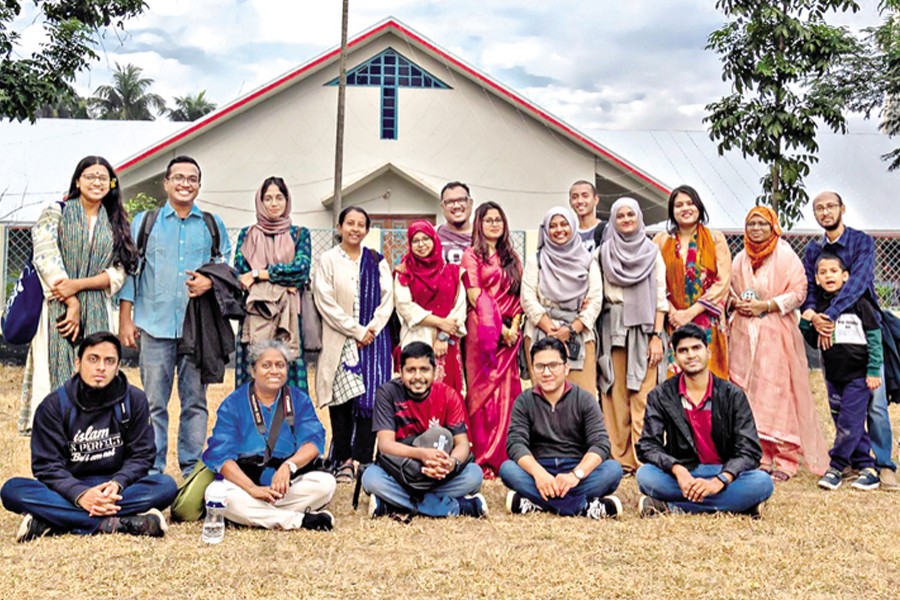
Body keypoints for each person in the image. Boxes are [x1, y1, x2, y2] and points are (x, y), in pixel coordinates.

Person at [2, 332, 177, 542]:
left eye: (109, 361)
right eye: (93, 359)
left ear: (118, 365)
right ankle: (116, 523)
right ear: (78, 363)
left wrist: (118, 483)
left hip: (117, 488)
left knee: (165, 486)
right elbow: (47, 465)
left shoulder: (135, 400)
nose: (101, 367)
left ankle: (53, 520)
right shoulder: (54, 406)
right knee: (13, 490)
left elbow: (142, 456)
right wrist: (80, 495)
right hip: (68, 487)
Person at [118, 155, 231, 477]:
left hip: (197, 329)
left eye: (192, 178)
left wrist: (211, 281)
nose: (185, 183)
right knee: (154, 405)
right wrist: (126, 319)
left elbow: (226, 269)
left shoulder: (212, 225)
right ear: (166, 183)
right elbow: (131, 272)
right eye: (178, 177)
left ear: (199, 185)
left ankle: (191, 470)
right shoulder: (145, 222)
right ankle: (152, 472)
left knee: (195, 403)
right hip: (154, 327)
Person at [19, 156, 139, 435]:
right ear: (77, 181)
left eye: (102, 178)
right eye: (90, 176)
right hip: (57, 308)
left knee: (96, 370)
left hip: (97, 306)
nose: (96, 182)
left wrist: (79, 286)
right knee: (56, 376)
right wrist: (70, 300)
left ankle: (93, 436)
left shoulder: (116, 220)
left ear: (111, 184)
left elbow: (119, 271)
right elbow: (46, 255)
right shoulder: (55, 211)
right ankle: (55, 438)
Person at [801, 191, 897, 490]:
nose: (825, 212)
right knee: (841, 404)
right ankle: (859, 461)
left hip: (864, 329)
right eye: (819, 208)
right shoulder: (812, 250)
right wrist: (814, 317)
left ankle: (883, 464)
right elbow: (810, 289)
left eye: (831, 206)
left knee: (876, 404)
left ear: (842, 208)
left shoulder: (861, 242)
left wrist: (829, 314)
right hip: (831, 339)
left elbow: (856, 284)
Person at [729, 206, 830, 482]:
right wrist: (737, 302)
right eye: (751, 224)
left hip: (775, 332)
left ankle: (785, 459)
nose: (756, 229)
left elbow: (799, 292)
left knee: (777, 391)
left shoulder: (785, 255)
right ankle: (760, 456)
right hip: (742, 333)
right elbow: (731, 289)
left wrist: (767, 304)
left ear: (774, 226)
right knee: (749, 392)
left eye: (762, 223)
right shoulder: (740, 257)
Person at [636, 324, 774, 517]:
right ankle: (740, 506)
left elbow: (750, 449)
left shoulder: (732, 395)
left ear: (708, 352)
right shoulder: (661, 395)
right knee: (645, 476)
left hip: (724, 472)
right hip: (684, 474)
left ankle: (674, 507)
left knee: (762, 482)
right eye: (683, 351)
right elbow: (648, 445)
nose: (691, 355)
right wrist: (678, 470)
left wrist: (720, 480)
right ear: (675, 356)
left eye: (696, 348)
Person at [202, 340, 336, 530]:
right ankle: (298, 520)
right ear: (253, 370)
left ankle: (255, 515)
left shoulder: (299, 399)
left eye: (280, 365)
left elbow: (313, 441)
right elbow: (222, 456)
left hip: (285, 486)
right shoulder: (233, 403)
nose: (274, 371)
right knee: (218, 494)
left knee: (326, 484)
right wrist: (252, 489)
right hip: (245, 486)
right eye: (266, 365)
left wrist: (289, 467)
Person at [313, 206, 394, 483]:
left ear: (367, 230)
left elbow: (388, 300)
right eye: (350, 223)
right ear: (339, 227)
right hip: (341, 337)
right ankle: (343, 459)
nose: (355, 229)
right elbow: (325, 302)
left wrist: (370, 330)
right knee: (342, 400)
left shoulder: (376, 260)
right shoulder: (328, 260)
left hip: (374, 341)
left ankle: (363, 459)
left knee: (370, 401)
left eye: (361, 224)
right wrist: (356, 331)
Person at [499, 337, 623, 518]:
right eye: (540, 366)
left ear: (566, 368)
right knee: (508, 470)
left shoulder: (584, 399)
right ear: (532, 368)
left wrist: (575, 475)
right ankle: (582, 507)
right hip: (540, 467)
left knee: (613, 470)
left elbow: (601, 443)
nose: (546, 372)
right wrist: (539, 474)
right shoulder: (524, 401)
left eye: (553, 365)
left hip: (576, 468)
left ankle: (538, 503)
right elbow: (515, 444)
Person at [361, 342, 486, 518]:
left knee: (474, 475)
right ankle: (457, 507)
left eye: (424, 370)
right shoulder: (387, 393)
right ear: (400, 371)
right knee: (371, 479)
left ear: (434, 371)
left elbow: (462, 444)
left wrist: (450, 464)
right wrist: (422, 454)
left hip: (439, 475)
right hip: (401, 473)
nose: (417, 376)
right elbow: (385, 445)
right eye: (411, 370)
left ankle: (392, 505)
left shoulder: (449, 395)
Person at [801, 254, 884, 491]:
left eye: (833, 271)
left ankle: (836, 466)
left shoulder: (860, 303)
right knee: (843, 420)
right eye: (823, 272)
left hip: (858, 376)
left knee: (850, 420)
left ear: (845, 276)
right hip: (833, 375)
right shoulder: (821, 308)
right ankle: (866, 467)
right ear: (817, 279)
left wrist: (873, 370)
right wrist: (807, 320)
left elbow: (875, 338)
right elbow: (812, 339)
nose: (829, 276)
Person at [597, 197, 667, 475]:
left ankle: (645, 457)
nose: (626, 220)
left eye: (631, 215)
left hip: (643, 329)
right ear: (613, 220)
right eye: (620, 216)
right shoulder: (603, 253)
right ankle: (620, 459)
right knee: (615, 394)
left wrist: (656, 336)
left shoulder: (652, 252)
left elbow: (661, 296)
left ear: (639, 218)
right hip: (612, 328)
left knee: (643, 394)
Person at [461, 201, 524, 479]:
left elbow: (520, 295)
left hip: (511, 330)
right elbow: (475, 295)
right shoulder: (471, 255)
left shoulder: (512, 257)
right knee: (482, 395)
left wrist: (515, 327)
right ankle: (484, 455)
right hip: (482, 331)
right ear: (479, 223)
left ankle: (505, 456)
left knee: (507, 393)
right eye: (489, 220)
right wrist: (501, 331)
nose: (494, 224)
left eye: (499, 219)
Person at [233, 176, 311, 391]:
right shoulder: (247, 235)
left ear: (287, 201)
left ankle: (290, 424)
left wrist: (259, 274)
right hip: (255, 313)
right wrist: (281, 280)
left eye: (279, 197)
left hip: (289, 315)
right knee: (253, 375)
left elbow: (301, 270)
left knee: (291, 379)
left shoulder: (299, 234)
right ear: (260, 202)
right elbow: (241, 274)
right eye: (267, 198)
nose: (274, 203)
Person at [521, 206, 602, 395]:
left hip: (579, 336)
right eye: (553, 225)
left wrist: (571, 329)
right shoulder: (537, 261)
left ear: (573, 227)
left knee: (581, 396)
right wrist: (551, 329)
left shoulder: (588, 260)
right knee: (543, 394)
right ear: (546, 231)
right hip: (540, 332)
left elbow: (596, 299)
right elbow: (528, 298)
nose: (559, 230)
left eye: (564, 224)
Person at [653, 184, 731, 380]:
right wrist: (673, 313)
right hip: (674, 321)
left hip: (707, 321)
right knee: (676, 380)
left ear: (699, 207)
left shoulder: (715, 239)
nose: (685, 208)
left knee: (710, 379)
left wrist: (690, 313)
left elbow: (722, 282)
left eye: (690, 203)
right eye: (679, 205)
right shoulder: (661, 241)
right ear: (672, 211)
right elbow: (655, 282)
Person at [394, 221, 467, 393]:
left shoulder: (453, 272)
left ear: (435, 240)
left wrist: (443, 336)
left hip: (446, 343)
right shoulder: (404, 273)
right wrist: (441, 323)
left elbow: (460, 307)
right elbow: (404, 306)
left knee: (447, 393)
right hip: (416, 338)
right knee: (415, 389)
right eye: (415, 240)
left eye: (425, 239)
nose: (421, 244)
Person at [435, 181, 474, 265]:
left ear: (471, 203)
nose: (456, 206)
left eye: (461, 200)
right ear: (442, 207)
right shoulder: (431, 235)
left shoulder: (486, 236)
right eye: (450, 202)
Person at [568, 179, 606, 253]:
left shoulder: (607, 230)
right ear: (570, 203)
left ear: (596, 200)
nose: (580, 201)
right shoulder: (570, 236)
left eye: (585, 196)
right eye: (575, 197)